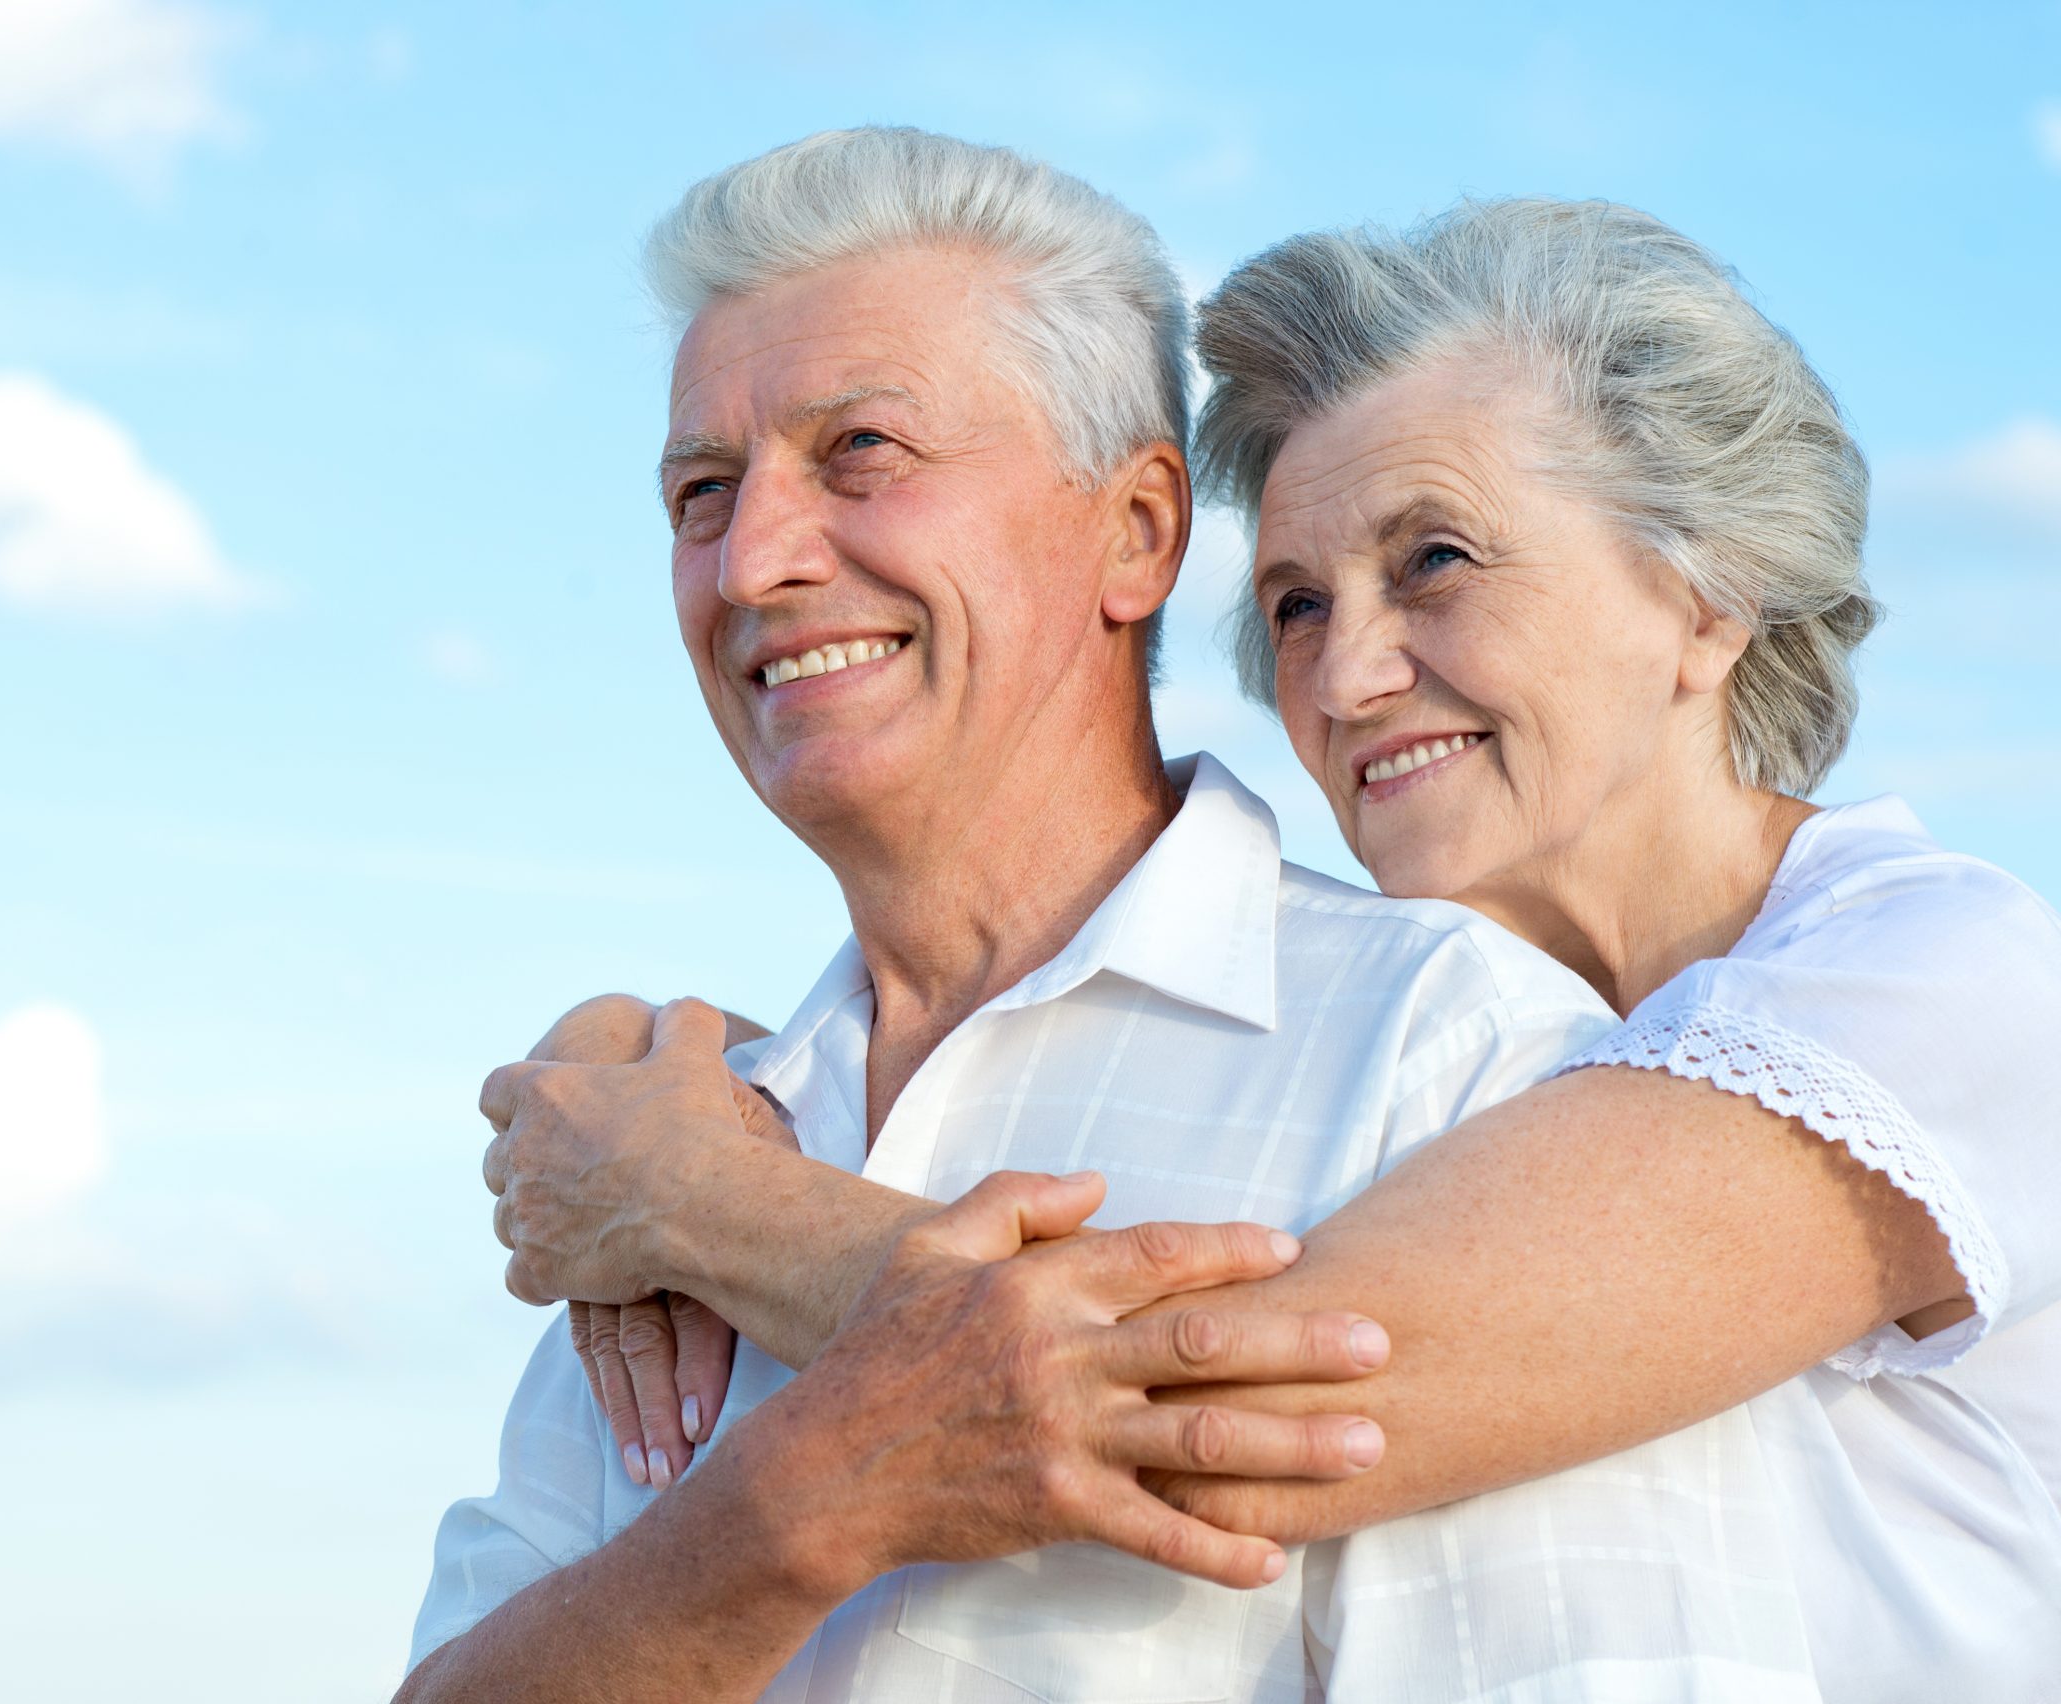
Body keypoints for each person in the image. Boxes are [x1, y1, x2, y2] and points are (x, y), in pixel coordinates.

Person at [484, 184, 2061, 1696]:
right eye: (1298, 604)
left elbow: (1256, 1402)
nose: (1346, 675)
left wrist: (692, 1196)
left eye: (1434, 559)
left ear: (1706, 599)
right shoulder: (1447, 1035)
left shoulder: (1946, 979)